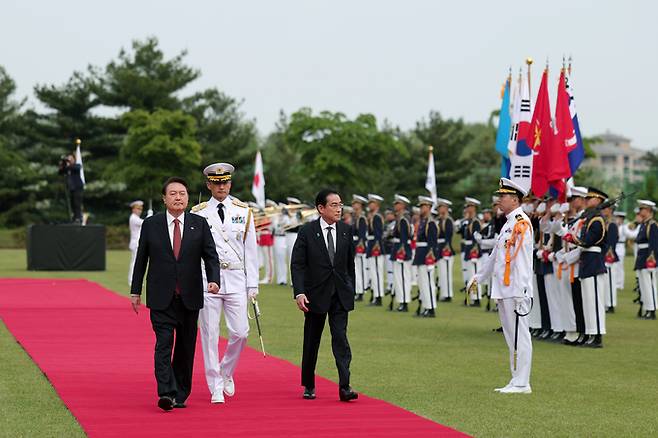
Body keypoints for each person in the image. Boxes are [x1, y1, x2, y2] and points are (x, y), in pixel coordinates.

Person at [130, 177, 220, 411]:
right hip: (161, 296)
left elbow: (210, 255)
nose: (178, 197)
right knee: (163, 344)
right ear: (164, 198)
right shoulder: (151, 224)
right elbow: (141, 259)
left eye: (182, 193)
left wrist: (214, 279)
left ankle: (181, 392)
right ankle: (166, 393)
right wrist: (135, 291)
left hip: (189, 297)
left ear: (188, 197)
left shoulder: (199, 224)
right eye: (173, 193)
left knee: (185, 347)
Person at [191, 163, 259, 404]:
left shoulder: (244, 211)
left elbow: (251, 251)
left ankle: (226, 371)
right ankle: (215, 385)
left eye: (225, 182)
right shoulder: (198, 213)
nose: (221, 186)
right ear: (209, 185)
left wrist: (253, 285)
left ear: (230, 183)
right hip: (208, 279)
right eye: (216, 183)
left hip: (237, 279)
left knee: (241, 333)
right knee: (209, 334)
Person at [291, 188, 357, 402]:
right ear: (321, 208)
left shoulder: (346, 231)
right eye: (334, 205)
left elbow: (349, 265)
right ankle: (308, 383)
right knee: (312, 340)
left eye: (340, 204)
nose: (339, 209)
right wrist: (299, 292)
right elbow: (298, 265)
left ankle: (345, 386)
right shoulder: (307, 232)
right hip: (314, 295)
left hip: (339, 295)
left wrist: (350, 289)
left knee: (341, 339)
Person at [469, 178, 534, 394]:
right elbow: (496, 256)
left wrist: (523, 289)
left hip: (515, 289)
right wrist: (479, 277)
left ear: (515, 200)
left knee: (519, 335)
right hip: (505, 288)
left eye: (503, 196)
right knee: (510, 335)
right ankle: (516, 378)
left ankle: (523, 382)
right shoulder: (508, 223)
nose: (499, 200)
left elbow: (523, 259)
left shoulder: (521, 223)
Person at [563, 188, 608, 347]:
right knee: (588, 302)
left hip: (594, 262)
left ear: (598, 200)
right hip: (587, 262)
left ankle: (597, 336)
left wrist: (575, 239)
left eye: (590, 198)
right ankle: (590, 333)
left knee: (595, 302)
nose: (587, 200)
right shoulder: (590, 219)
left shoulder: (597, 220)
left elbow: (589, 240)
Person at [413, 196, 438, 317]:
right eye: (420, 206)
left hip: (426, 255)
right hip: (420, 254)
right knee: (422, 283)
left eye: (423, 206)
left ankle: (431, 308)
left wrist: (430, 258)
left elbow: (432, 243)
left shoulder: (431, 222)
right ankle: (426, 306)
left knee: (428, 283)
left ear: (428, 207)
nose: (421, 209)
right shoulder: (424, 221)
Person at [390, 194, 413, 312]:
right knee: (399, 277)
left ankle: (404, 302)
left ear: (402, 205)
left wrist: (402, 250)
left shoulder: (404, 219)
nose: (395, 205)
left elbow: (404, 237)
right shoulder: (401, 218)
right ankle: (402, 301)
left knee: (403, 277)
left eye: (397, 203)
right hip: (398, 248)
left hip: (401, 250)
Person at [366, 194, 386, 306]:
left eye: (372, 203)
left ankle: (378, 297)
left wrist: (376, 246)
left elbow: (378, 234)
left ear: (377, 204)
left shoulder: (377, 217)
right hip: (371, 244)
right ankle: (375, 295)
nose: (370, 205)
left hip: (375, 246)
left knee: (377, 273)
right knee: (373, 272)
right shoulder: (372, 216)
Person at [436, 198, 455, 302]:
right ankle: (444, 293)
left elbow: (448, 235)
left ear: (446, 208)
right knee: (442, 273)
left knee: (446, 273)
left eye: (441, 207)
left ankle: (448, 294)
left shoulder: (448, 220)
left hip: (445, 249)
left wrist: (446, 248)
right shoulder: (439, 220)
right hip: (439, 248)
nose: (439, 209)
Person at [351, 195, 369, 302]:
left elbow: (362, 236)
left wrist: (359, 247)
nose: (353, 205)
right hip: (354, 245)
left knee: (360, 269)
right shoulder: (356, 218)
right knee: (356, 270)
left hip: (359, 246)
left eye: (356, 203)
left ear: (360, 205)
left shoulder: (361, 218)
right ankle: (358, 290)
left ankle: (361, 291)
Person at [58, 153, 84, 223]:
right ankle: (75, 217)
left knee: (77, 203)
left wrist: (68, 164)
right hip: (71, 188)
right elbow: (60, 172)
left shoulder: (76, 166)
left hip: (77, 187)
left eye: (71, 159)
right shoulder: (67, 168)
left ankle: (78, 217)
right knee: (72, 203)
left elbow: (76, 168)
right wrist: (62, 165)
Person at [128, 200, 144, 285]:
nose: (139, 211)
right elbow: (144, 223)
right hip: (135, 243)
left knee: (137, 262)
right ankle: (132, 280)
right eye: (138, 209)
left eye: (140, 209)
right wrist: (150, 216)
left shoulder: (136, 218)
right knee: (134, 262)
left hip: (137, 242)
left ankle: (135, 280)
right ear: (133, 209)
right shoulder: (133, 218)